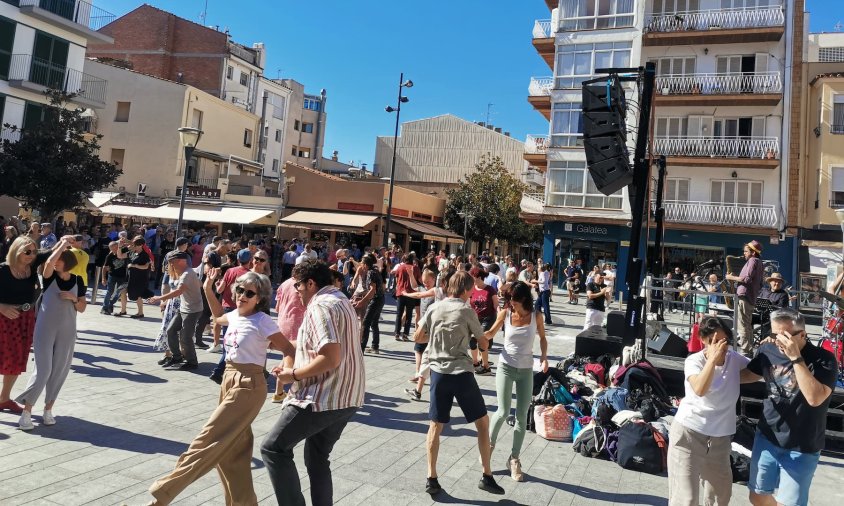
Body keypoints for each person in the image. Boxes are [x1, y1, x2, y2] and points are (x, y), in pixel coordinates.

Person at [148, 270, 290, 505]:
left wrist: (288, 373)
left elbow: (289, 349)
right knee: (233, 453)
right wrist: (207, 288)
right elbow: (216, 315)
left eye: (249, 293)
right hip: (229, 380)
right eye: (239, 290)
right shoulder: (234, 315)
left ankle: (160, 498)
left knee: (206, 440)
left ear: (260, 298)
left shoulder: (263, 321)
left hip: (248, 385)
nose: (242, 295)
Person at [260, 261, 365, 506]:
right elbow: (315, 345)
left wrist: (293, 375)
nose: (296, 291)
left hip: (322, 397)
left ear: (310, 283)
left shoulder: (320, 306)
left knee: (273, 448)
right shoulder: (340, 299)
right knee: (317, 457)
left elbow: (330, 356)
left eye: (298, 285)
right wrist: (274, 343)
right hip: (348, 395)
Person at [415, 271, 504, 496]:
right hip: (461, 373)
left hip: (438, 373)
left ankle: (431, 477)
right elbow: (483, 342)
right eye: (471, 289)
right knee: (482, 422)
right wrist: (484, 341)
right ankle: (486, 474)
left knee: (435, 425)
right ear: (465, 290)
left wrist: (436, 339)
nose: (473, 293)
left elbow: (418, 337)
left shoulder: (435, 307)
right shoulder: (466, 310)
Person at [740, 309, 837, 506]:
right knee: (757, 495)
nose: (777, 341)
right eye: (774, 334)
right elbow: (751, 374)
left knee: (790, 503)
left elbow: (814, 398)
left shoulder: (824, 359)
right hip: (768, 436)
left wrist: (796, 358)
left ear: (802, 335)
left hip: (803, 445)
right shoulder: (768, 350)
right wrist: (715, 372)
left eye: (783, 336)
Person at [667, 316, 750, 505]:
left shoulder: (734, 359)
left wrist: (770, 349)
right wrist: (712, 360)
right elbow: (700, 389)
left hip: (719, 440)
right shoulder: (694, 361)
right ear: (704, 340)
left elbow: (757, 371)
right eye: (714, 341)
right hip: (688, 434)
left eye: (725, 341)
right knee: (685, 498)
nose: (721, 346)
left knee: (720, 496)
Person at [15, 240, 87, 430]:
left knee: (59, 371)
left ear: (68, 262)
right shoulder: (49, 277)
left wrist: (73, 298)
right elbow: (47, 263)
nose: (56, 262)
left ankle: (48, 409)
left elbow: (82, 307)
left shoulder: (78, 281)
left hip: (68, 332)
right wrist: (62, 245)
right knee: (43, 371)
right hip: (44, 329)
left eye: (60, 260)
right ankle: (26, 412)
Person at [485, 281, 549, 482]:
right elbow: (490, 333)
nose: (509, 302)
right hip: (505, 366)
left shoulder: (536, 316)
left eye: (512, 299)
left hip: (526, 370)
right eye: (508, 299)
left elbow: (543, 338)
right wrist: (476, 335)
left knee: (521, 416)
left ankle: (514, 459)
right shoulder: (505, 315)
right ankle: (488, 448)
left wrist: (544, 356)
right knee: (503, 411)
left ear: (522, 299)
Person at [0, 237, 52, 414]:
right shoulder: (3, 270)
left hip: (25, 319)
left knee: (16, 359)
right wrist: (2, 307)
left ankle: (4, 399)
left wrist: (66, 242)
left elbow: (50, 252)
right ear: (16, 251)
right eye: (27, 251)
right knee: (4, 358)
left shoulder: (32, 263)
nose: (32, 255)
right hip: (3, 319)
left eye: (34, 251)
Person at [149, 251, 203, 371]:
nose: (171, 264)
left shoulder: (187, 274)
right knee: (170, 330)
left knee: (185, 337)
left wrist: (159, 298)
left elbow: (179, 291)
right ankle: (177, 357)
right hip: (183, 308)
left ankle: (192, 362)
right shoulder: (183, 272)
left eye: (172, 262)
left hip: (192, 310)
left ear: (181, 261)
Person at [726, 240, 764, 357]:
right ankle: (748, 350)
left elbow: (746, 279)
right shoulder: (760, 262)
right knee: (747, 325)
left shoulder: (752, 261)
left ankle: (745, 351)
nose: (744, 254)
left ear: (753, 252)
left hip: (745, 296)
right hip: (750, 296)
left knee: (743, 326)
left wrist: (731, 277)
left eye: (746, 251)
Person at [272, 275, 306, 403]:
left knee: (288, 355)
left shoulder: (284, 283)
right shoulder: (302, 286)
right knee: (292, 356)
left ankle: (279, 392)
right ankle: (281, 391)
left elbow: (276, 307)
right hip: (296, 324)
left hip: (283, 322)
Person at [469, 266, 499, 375]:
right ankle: (475, 362)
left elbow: (496, 304)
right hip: (475, 319)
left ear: (480, 278)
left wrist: (501, 315)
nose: (472, 279)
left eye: (474, 277)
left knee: (481, 341)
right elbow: (468, 304)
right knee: (472, 342)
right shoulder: (471, 289)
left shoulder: (490, 289)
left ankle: (486, 367)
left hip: (488, 318)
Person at [357, 254, 386, 355]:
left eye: (362, 263)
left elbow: (372, 290)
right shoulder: (375, 270)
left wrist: (362, 301)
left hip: (376, 300)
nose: (361, 264)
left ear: (365, 264)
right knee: (374, 323)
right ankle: (375, 346)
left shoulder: (370, 272)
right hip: (381, 298)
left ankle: (361, 349)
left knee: (366, 323)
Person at [394, 253, 421, 342]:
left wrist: (398, 286)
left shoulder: (400, 267)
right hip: (411, 293)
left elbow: (396, 278)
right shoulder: (416, 268)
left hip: (401, 292)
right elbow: (419, 280)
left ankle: (397, 333)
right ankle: (405, 334)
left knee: (399, 314)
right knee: (409, 315)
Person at [126, 237, 151, 319]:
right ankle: (139, 312)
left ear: (140, 245)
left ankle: (140, 313)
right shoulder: (135, 253)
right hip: (133, 277)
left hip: (141, 278)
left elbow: (146, 266)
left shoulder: (144, 255)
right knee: (136, 296)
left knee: (139, 295)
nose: (134, 246)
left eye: (136, 245)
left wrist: (134, 265)